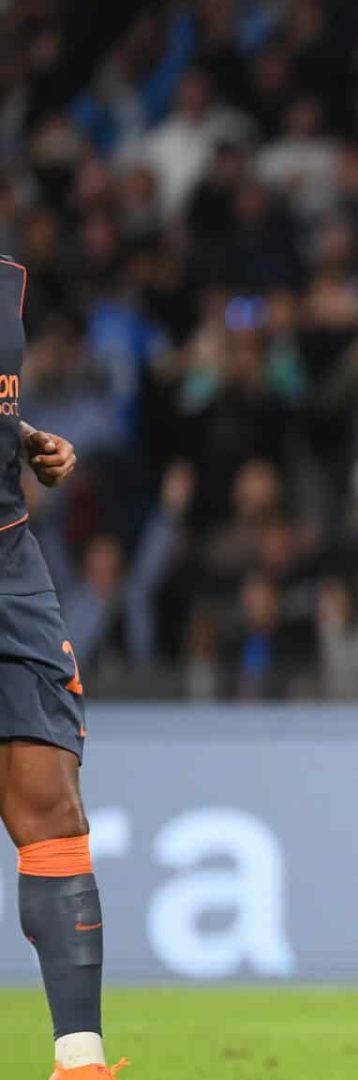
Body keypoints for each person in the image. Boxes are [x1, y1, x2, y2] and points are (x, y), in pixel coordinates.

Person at [0, 257, 126, 1079]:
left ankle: (78, 1065)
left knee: (54, 808)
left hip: (7, 560)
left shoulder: (6, 283)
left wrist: (21, 437)